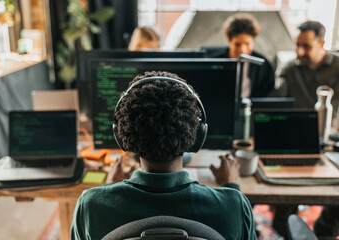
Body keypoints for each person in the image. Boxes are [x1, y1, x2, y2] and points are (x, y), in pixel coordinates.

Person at [70, 71, 257, 239]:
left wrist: (109, 190)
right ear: (198, 135)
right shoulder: (235, 205)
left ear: (121, 136)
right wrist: (232, 186)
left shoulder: (90, 206)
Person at [273, 20, 339, 238]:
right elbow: (276, 101)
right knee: (282, 207)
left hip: (333, 141)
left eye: (307, 46)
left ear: (323, 43)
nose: (300, 51)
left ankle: (325, 229)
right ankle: (287, 225)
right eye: (297, 45)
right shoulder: (291, 69)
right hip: (297, 141)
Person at [208, 13, 275, 98]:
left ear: (253, 41)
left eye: (247, 44)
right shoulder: (214, 64)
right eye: (237, 44)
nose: (242, 49)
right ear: (229, 41)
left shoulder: (264, 66)